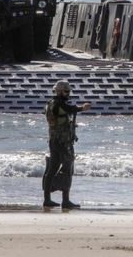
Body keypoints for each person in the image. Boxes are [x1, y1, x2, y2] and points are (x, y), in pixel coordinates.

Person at [42, 80, 91, 209]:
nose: (68, 94)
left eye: (69, 91)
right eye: (66, 91)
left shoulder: (49, 103)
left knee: (52, 169)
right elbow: (71, 109)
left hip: (54, 141)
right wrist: (82, 108)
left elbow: (60, 117)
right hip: (63, 142)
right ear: (58, 91)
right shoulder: (59, 104)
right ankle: (65, 200)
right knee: (68, 169)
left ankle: (47, 199)